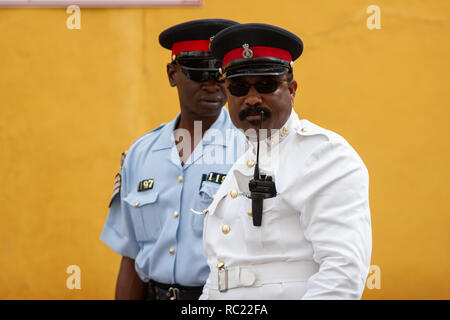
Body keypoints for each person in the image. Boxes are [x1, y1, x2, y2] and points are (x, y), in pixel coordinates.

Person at [199, 23, 372, 299]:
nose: (252, 99)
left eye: (266, 85)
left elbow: (341, 274)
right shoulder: (240, 161)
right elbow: (219, 274)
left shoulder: (324, 155)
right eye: (239, 87)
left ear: (291, 89)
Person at [100, 19, 245, 300]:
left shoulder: (250, 151)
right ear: (172, 74)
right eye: (199, 74)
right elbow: (132, 257)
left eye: (222, 75)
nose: (213, 85)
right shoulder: (140, 155)